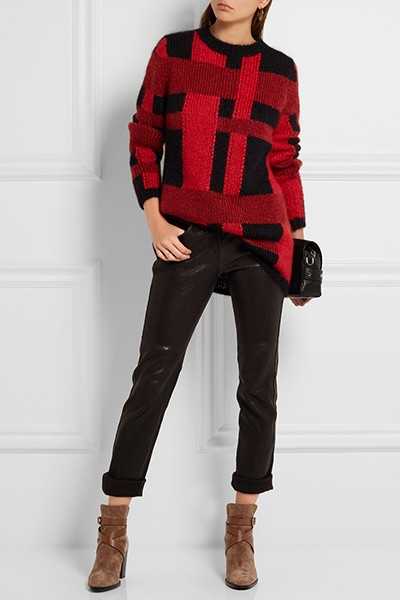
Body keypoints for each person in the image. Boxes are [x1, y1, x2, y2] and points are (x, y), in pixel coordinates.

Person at [88, 0, 312, 593]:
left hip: (261, 240)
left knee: (258, 383)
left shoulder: (280, 71)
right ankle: (113, 530)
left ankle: (241, 529)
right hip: (187, 234)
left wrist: (298, 248)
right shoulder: (174, 53)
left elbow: (284, 161)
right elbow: (145, 133)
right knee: (153, 374)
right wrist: (154, 217)